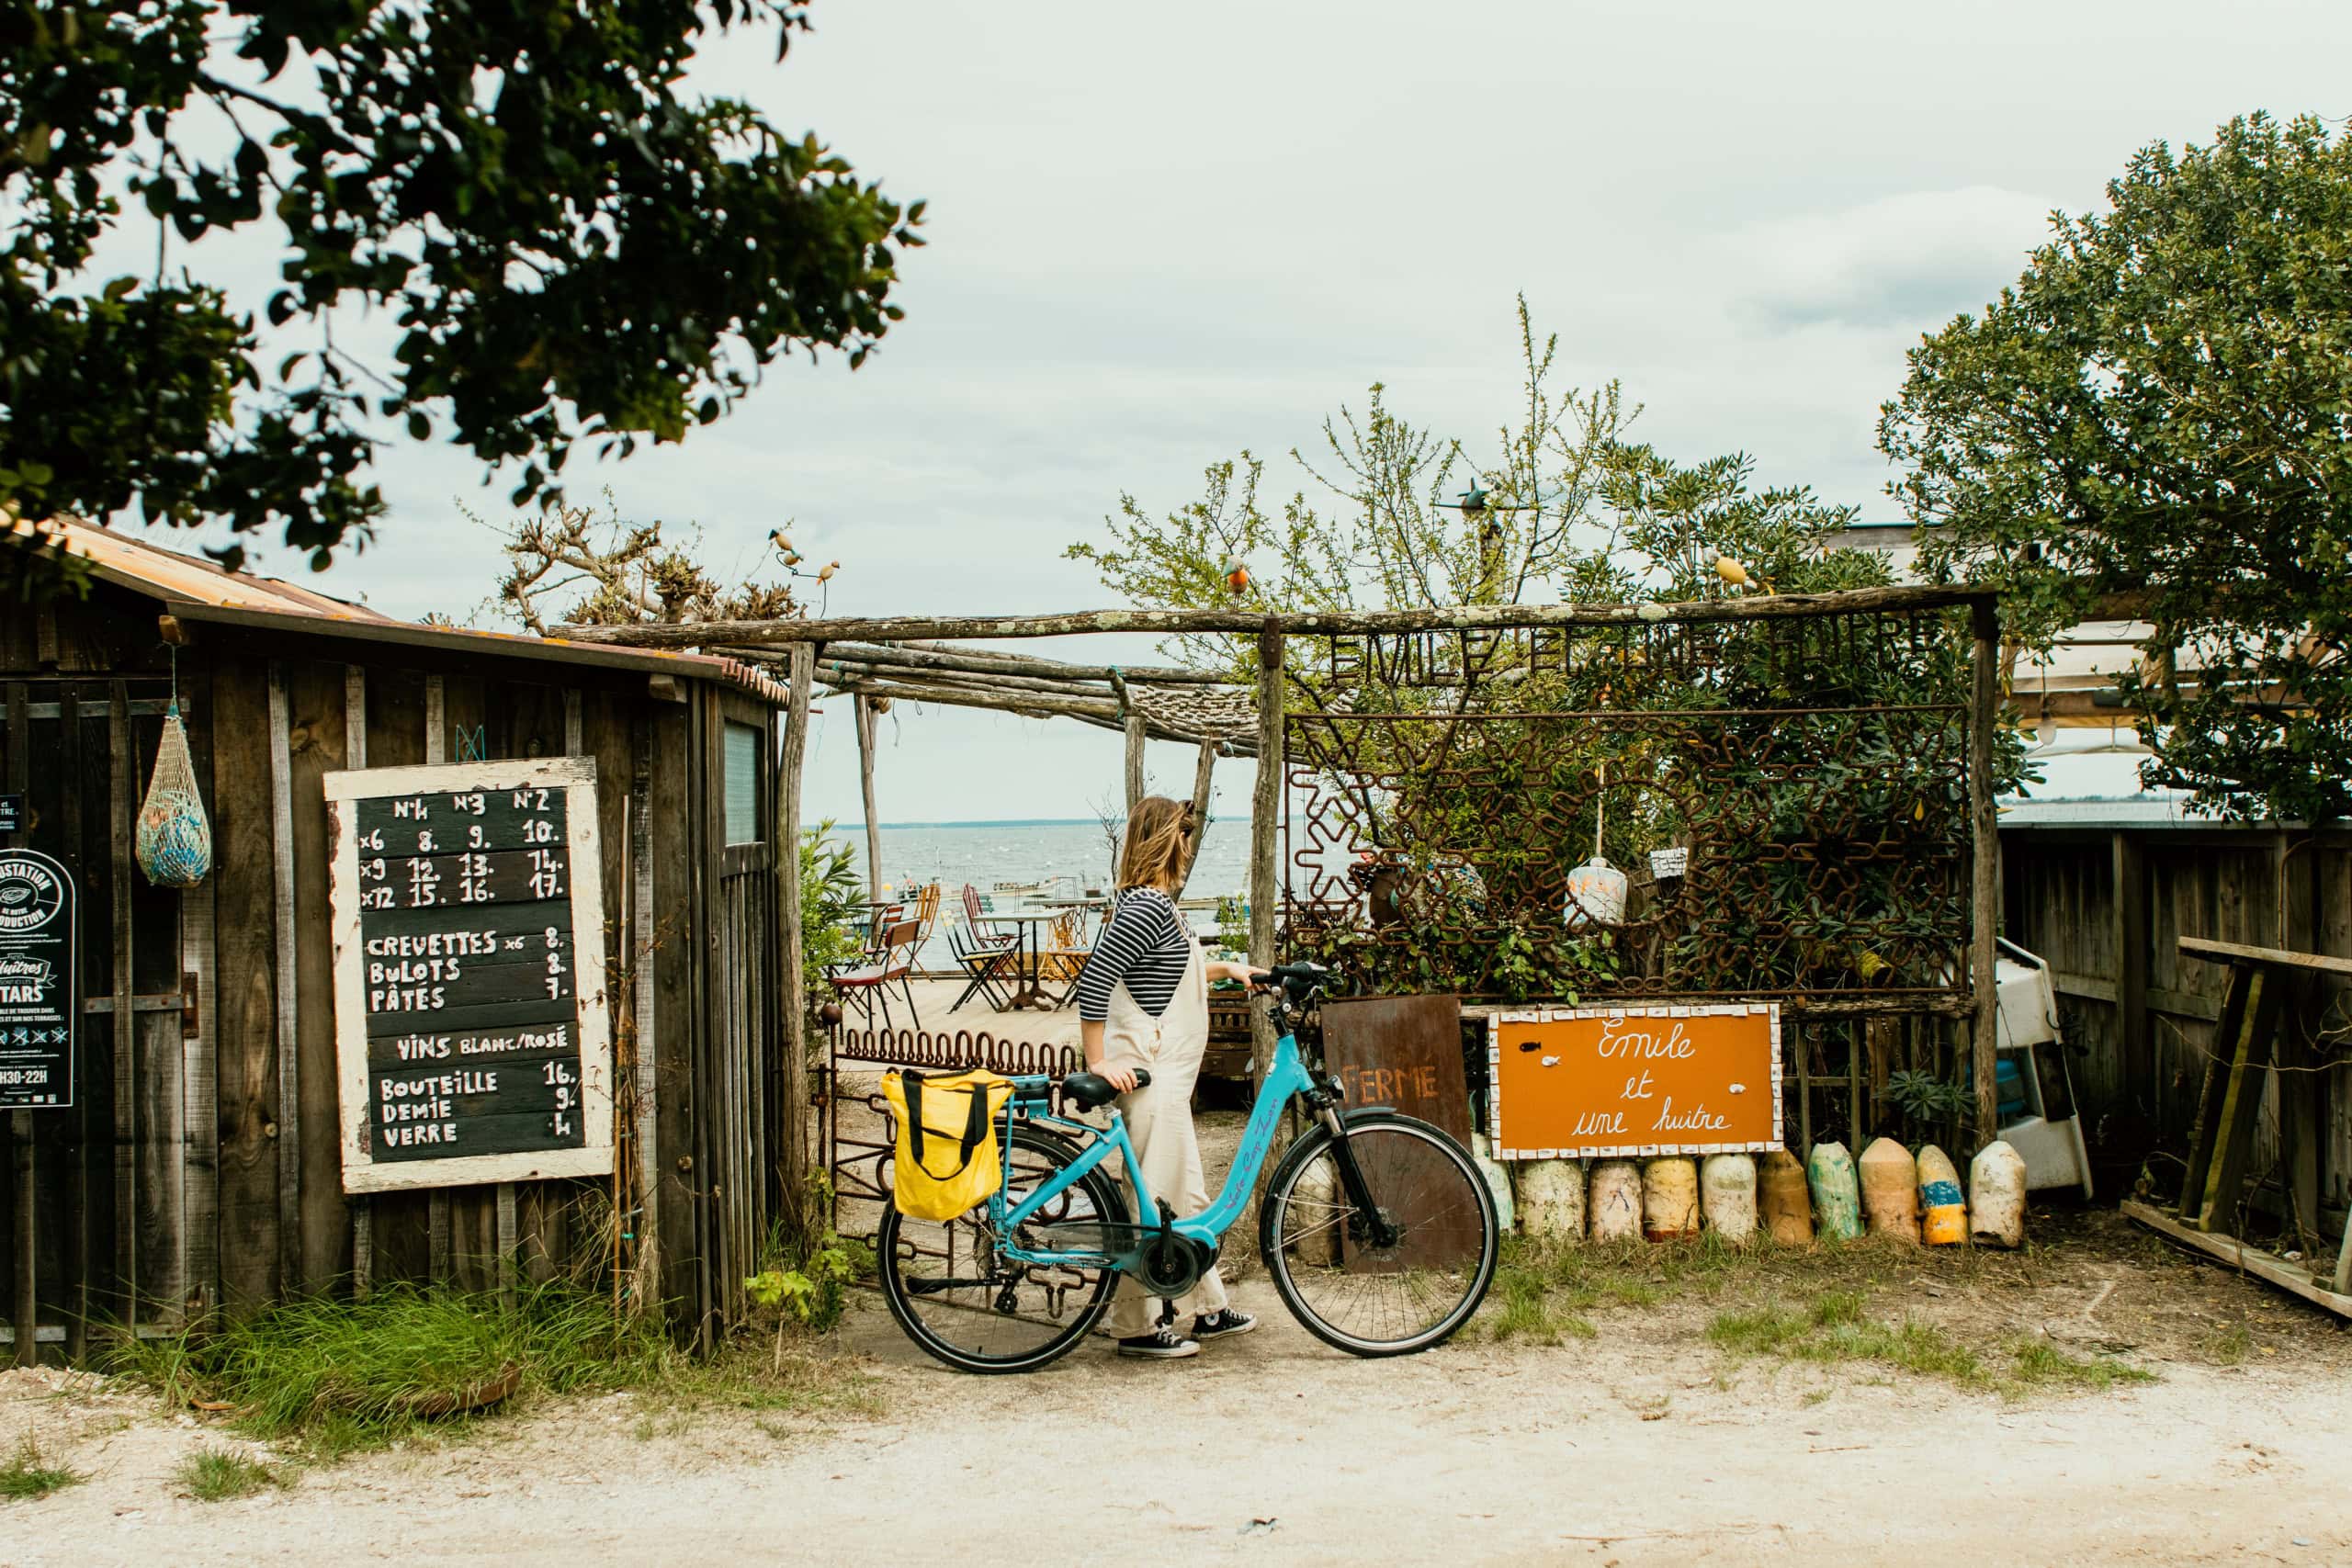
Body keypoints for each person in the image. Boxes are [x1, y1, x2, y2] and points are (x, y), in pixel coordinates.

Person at [1074, 795, 1264, 1359]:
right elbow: (1093, 983)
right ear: (1166, 840)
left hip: (1169, 1080)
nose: (1189, 843)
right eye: (1184, 833)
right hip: (1148, 1075)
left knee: (1186, 1194)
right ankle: (1134, 1324)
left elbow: (1166, 969)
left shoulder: (1157, 906)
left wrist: (1228, 968)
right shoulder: (1146, 908)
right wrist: (1097, 1061)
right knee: (1154, 1201)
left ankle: (1206, 1308)